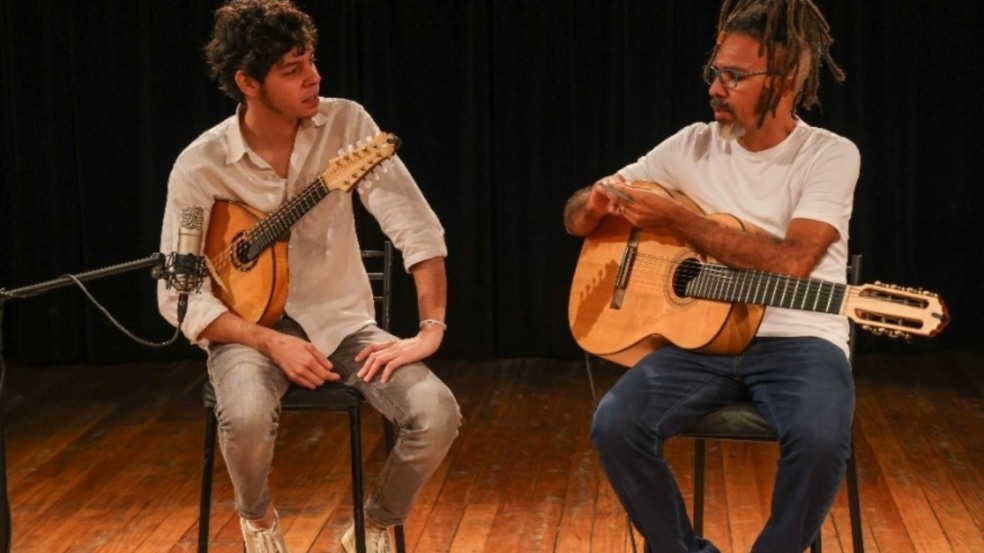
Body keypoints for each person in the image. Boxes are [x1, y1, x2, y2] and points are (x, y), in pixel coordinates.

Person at [156, 1, 461, 552]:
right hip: (247, 328)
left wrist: (430, 328)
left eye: (312, 61)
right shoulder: (200, 165)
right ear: (248, 82)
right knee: (246, 417)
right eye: (292, 70)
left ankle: (373, 523)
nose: (313, 77)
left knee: (436, 413)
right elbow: (179, 293)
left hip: (340, 320)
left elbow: (417, 228)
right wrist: (266, 339)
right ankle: (258, 516)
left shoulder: (347, 126)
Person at [563, 0, 859, 552]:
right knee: (614, 425)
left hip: (799, 342)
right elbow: (578, 217)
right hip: (700, 344)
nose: (716, 89)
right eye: (714, 73)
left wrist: (677, 218)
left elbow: (793, 261)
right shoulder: (690, 144)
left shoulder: (828, 155)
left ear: (787, 80)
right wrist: (595, 202)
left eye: (734, 76)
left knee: (820, 442)